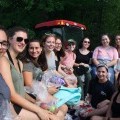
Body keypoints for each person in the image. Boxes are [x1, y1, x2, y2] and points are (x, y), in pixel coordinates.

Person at [0, 26, 56, 120]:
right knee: (51, 118)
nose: (23, 42)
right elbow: (12, 95)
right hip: (14, 106)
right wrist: (38, 110)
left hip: (21, 104)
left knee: (54, 111)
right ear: (9, 40)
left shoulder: (20, 63)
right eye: (19, 39)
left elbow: (21, 90)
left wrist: (35, 102)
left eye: (25, 41)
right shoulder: (3, 60)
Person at [22, 39, 68, 120]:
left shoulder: (37, 61)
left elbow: (45, 75)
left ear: (41, 49)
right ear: (27, 49)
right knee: (60, 111)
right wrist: (47, 89)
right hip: (33, 96)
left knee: (64, 107)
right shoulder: (28, 63)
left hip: (40, 93)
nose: (34, 50)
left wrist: (61, 80)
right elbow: (28, 84)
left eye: (37, 48)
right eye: (31, 48)